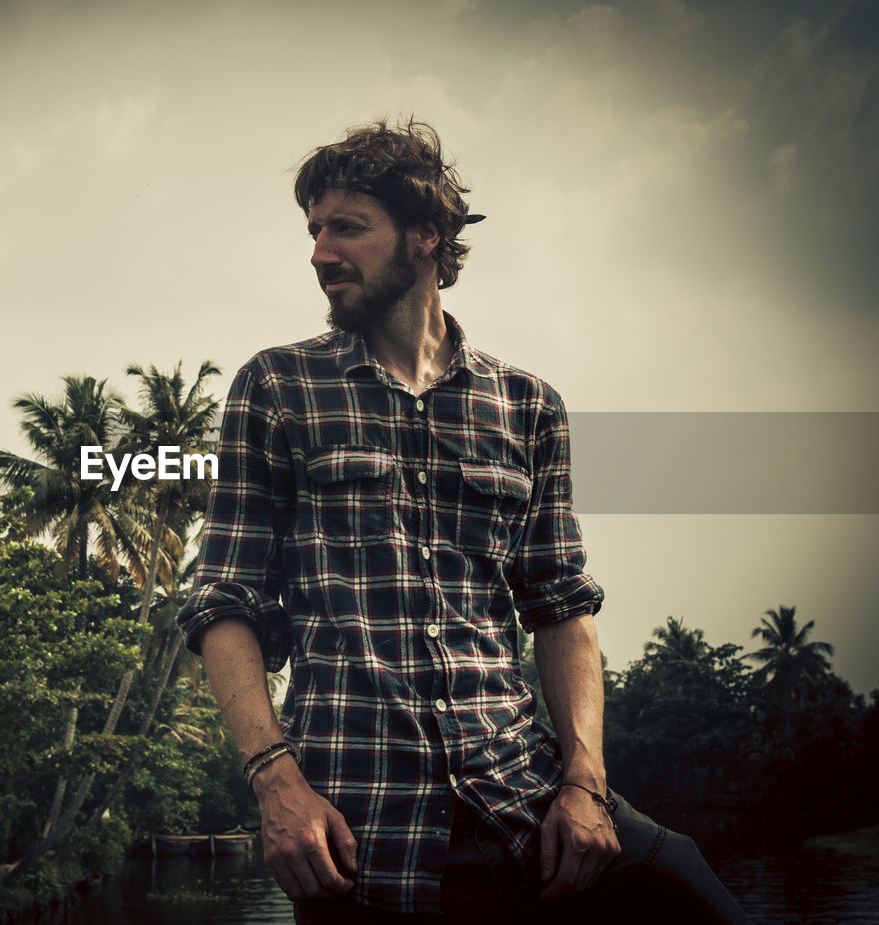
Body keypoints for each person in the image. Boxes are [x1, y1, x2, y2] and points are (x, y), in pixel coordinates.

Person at [176, 119, 750, 923]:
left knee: (694, 893)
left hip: (525, 806)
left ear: (426, 237)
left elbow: (561, 607)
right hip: (362, 838)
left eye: (347, 226)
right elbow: (221, 601)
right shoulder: (276, 387)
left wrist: (585, 782)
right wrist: (276, 781)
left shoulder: (528, 406)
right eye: (313, 230)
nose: (318, 251)